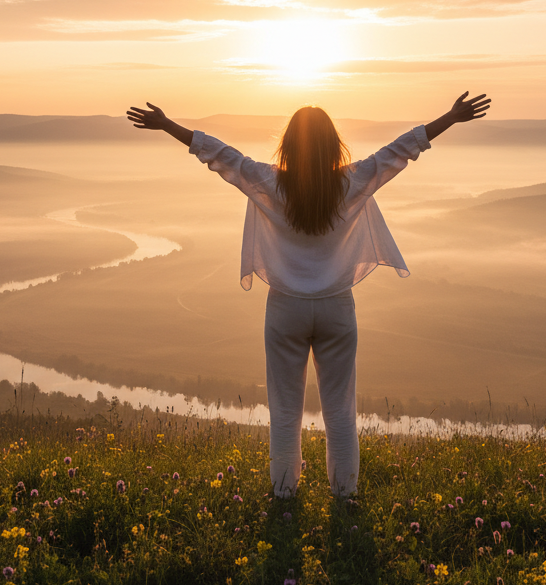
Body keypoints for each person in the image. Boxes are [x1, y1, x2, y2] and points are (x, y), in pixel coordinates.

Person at [126, 92, 491, 500]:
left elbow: (220, 156)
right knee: (340, 410)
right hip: (337, 308)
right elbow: (400, 151)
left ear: (288, 145)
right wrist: (451, 117)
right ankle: (344, 496)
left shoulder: (268, 183)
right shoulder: (351, 182)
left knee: (285, 412)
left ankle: (284, 495)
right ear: (333, 145)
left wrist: (168, 125)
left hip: (285, 309)